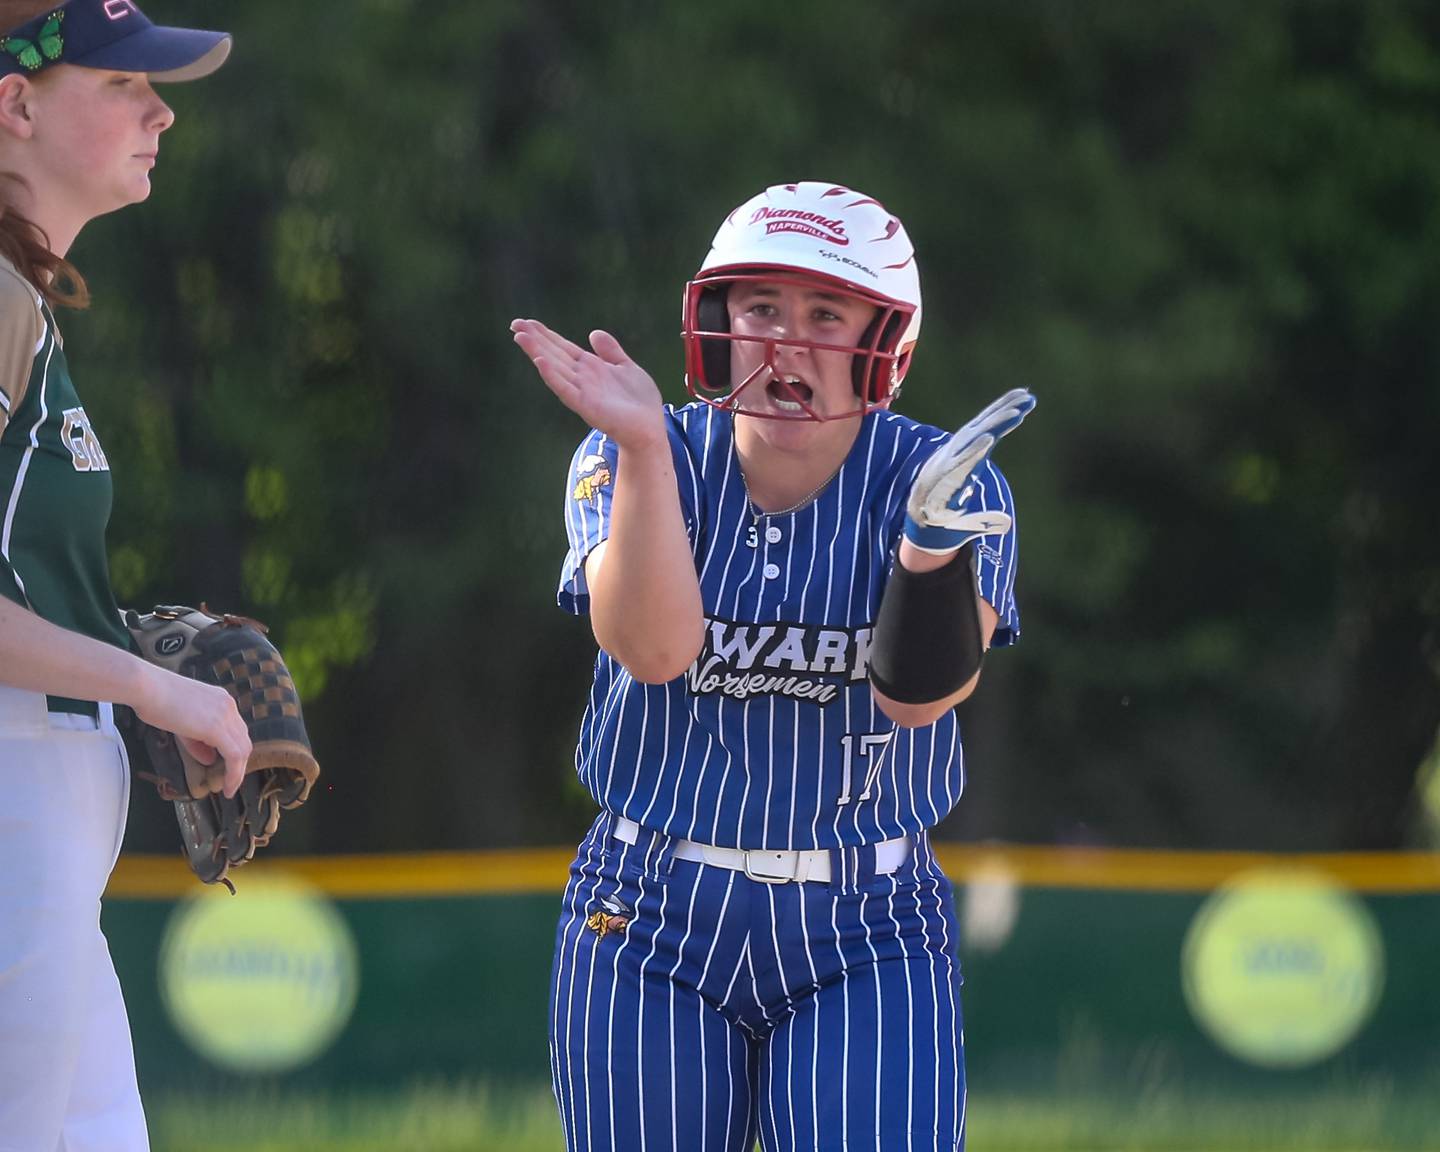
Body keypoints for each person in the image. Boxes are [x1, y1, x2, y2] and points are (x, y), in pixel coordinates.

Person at [512, 180, 1036, 1151]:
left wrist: (925, 553)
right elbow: (654, 649)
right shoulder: (642, 447)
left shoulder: (946, 479)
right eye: (761, 307)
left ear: (889, 345)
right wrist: (638, 449)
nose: (787, 343)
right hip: (650, 912)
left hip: (867, 919)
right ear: (716, 319)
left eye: (826, 313)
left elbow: (919, 700)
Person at [0, 2, 249, 1148]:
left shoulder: (26, 302)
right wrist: (152, 688)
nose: (162, 110)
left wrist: (109, 658)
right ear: (15, 104)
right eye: (120, 85)